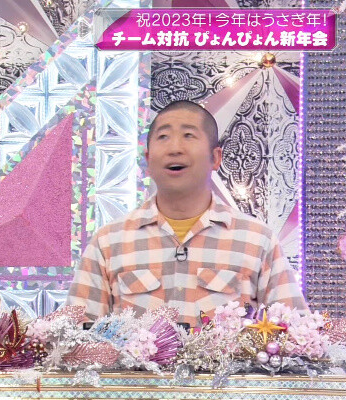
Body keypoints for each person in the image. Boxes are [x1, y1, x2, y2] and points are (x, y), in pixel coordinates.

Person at [66, 100, 307, 326]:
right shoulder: (109, 242)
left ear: (215, 157)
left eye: (188, 135)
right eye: (163, 137)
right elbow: (75, 335)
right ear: (148, 160)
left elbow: (294, 332)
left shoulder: (257, 240)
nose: (175, 148)